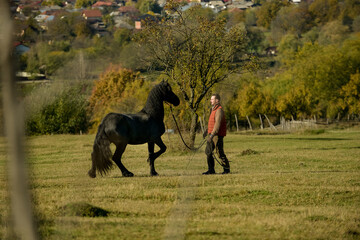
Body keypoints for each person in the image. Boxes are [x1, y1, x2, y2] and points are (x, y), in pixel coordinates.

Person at [203, 93, 230, 175]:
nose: (211, 100)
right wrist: (207, 131)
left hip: (216, 135)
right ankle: (211, 170)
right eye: (211, 99)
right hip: (211, 134)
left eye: (212, 99)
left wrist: (211, 135)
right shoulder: (213, 109)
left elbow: (217, 124)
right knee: (208, 151)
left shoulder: (219, 110)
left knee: (219, 153)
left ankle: (226, 169)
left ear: (217, 100)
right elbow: (212, 122)